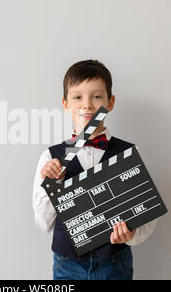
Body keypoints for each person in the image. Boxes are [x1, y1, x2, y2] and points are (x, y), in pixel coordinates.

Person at [32, 59, 157, 280]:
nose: (87, 105)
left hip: (115, 263)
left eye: (97, 96)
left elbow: (146, 218)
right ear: (65, 103)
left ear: (110, 102)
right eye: (77, 97)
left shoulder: (130, 153)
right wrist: (52, 183)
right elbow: (43, 223)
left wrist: (132, 233)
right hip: (67, 264)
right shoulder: (50, 157)